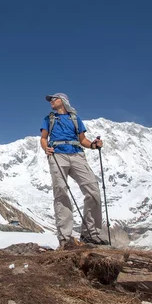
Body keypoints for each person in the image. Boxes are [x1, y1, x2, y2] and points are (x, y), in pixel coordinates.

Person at [40, 93, 107, 248]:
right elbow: (44, 138)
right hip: (57, 154)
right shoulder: (49, 119)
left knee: (93, 191)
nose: (51, 101)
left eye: (53, 99)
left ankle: (90, 234)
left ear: (62, 101)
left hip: (77, 154)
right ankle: (65, 239)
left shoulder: (75, 119)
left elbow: (83, 140)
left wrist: (94, 145)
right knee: (61, 192)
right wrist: (46, 148)